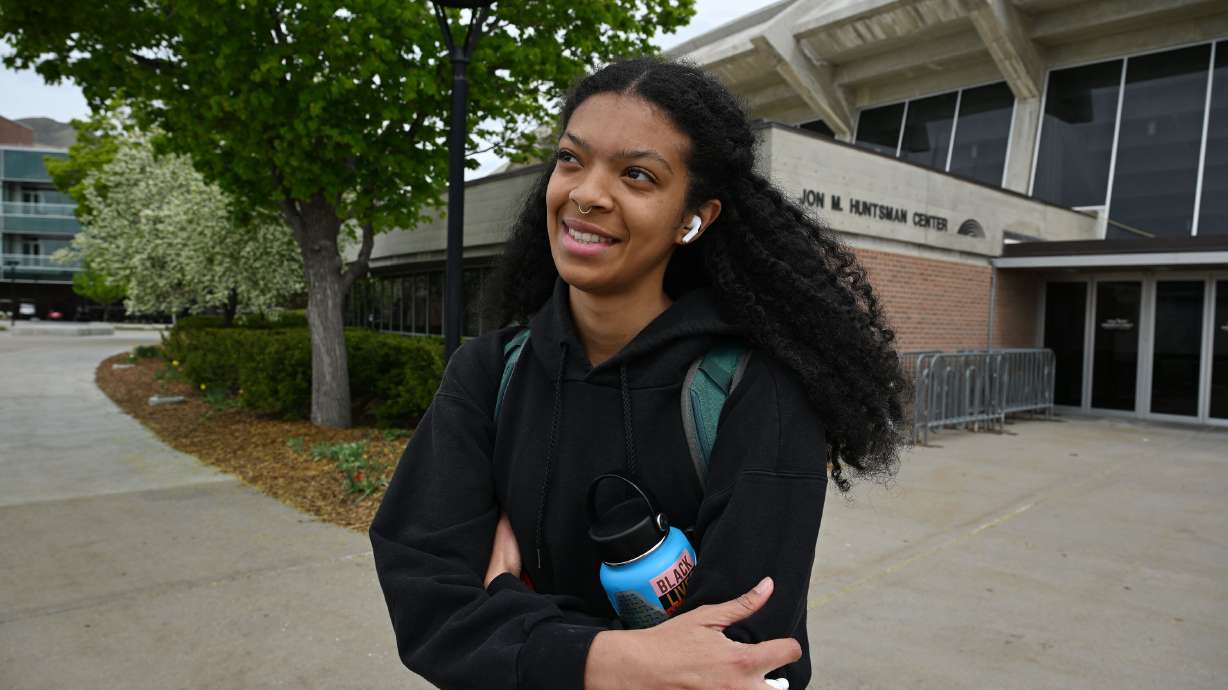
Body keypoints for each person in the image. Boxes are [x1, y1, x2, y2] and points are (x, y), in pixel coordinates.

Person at [370, 57, 908, 690]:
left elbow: (738, 654)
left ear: (694, 218)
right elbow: (426, 602)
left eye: (637, 174)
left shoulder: (754, 389)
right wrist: (621, 660)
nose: (587, 193)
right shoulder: (489, 373)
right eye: (571, 159)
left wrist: (506, 604)